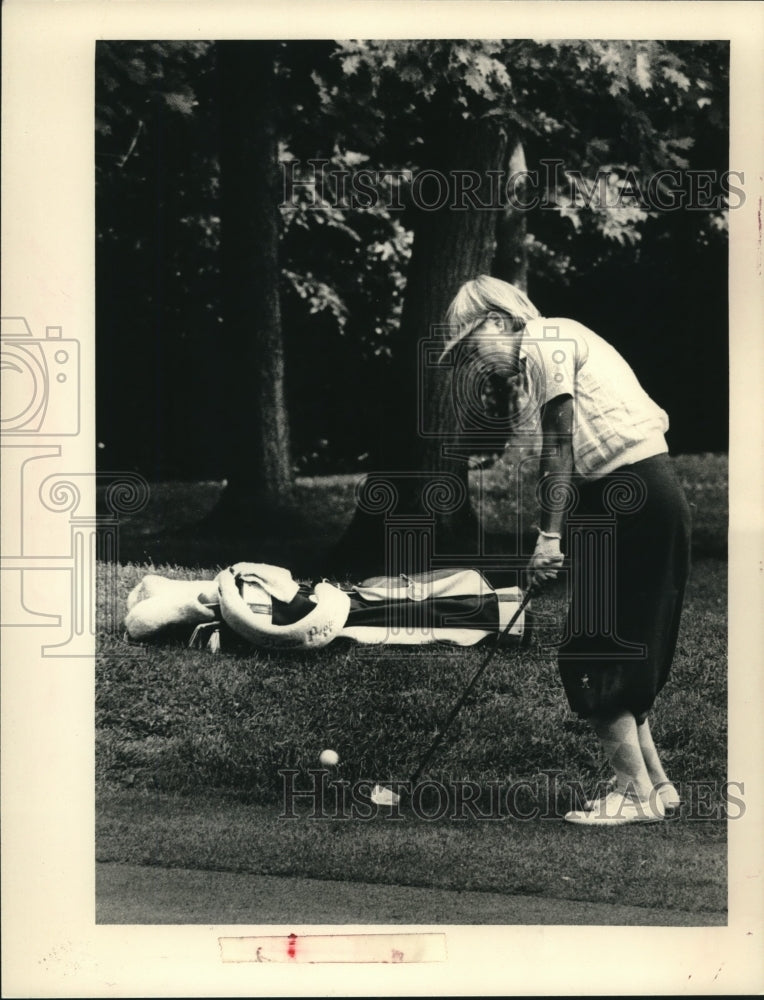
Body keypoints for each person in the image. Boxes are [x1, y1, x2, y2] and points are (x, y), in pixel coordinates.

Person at [442, 274, 692, 826]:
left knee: (592, 647)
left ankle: (630, 797)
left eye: (472, 344)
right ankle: (657, 787)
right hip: (640, 492)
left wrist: (549, 537)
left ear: (501, 320)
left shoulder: (544, 339)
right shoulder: (554, 344)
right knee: (616, 644)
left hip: (634, 491)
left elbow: (559, 443)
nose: (475, 362)